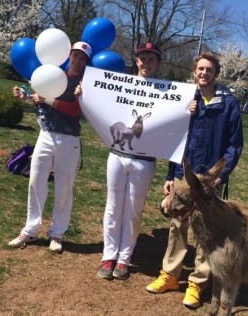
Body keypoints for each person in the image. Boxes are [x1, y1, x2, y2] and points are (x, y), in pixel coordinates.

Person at [146, 51, 243, 309]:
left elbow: (234, 145)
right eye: (200, 69)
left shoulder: (228, 103)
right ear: (194, 72)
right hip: (184, 175)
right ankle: (169, 275)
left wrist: (222, 174)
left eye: (209, 70)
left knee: (206, 231)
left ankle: (197, 284)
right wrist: (171, 175)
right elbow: (175, 140)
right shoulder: (186, 99)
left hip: (210, 180)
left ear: (216, 74)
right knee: (178, 225)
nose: (204, 73)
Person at [8, 41, 92, 253]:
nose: (77, 60)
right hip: (46, 134)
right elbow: (40, 103)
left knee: (64, 187)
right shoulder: (54, 73)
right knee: (36, 182)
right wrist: (26, 97)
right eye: (75, 55)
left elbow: (74, 110)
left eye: (82, 58)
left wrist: (46, 99)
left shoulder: (86, 82)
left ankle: (57, 234)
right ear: (69, 54)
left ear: (86, 62)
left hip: (70, 139)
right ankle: (30, 229)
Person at [97, 42, 162, 280]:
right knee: (113, 207)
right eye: (143, 59)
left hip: (144, 161)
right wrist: (83, 94)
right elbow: (100, 99)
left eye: (152, 60)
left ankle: (124, 259)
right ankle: (108, 255)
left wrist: (189, 108)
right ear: (136, 61)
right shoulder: (121, 85)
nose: (146, 63)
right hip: (117, 156)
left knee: (134, 212)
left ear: (158, 64)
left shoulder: (167, 92)